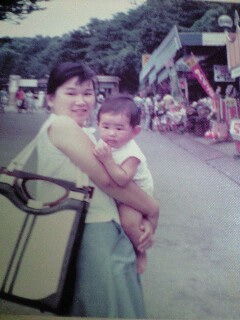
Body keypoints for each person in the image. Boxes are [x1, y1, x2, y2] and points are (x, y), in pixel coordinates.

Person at [36, 61, 159, 318]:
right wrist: (151, 208)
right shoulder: (62, 125)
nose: (81, 101)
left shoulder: (78, 130)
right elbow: (109, 181)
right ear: (50, 98)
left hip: (90, 228)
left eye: (87, 93)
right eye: (71, 93)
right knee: (112, 305)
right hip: (94, 231)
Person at [94, 94, 156, 274]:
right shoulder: (104, 142)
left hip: (136, 194)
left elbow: (122, 179)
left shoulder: (132, 152)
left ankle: (141, 251)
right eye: (105, 127)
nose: (111, 133)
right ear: (98, 125)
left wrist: (107, 161)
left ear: (135, 131)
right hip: (120, 191)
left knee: (128, 223)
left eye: (119, 128)